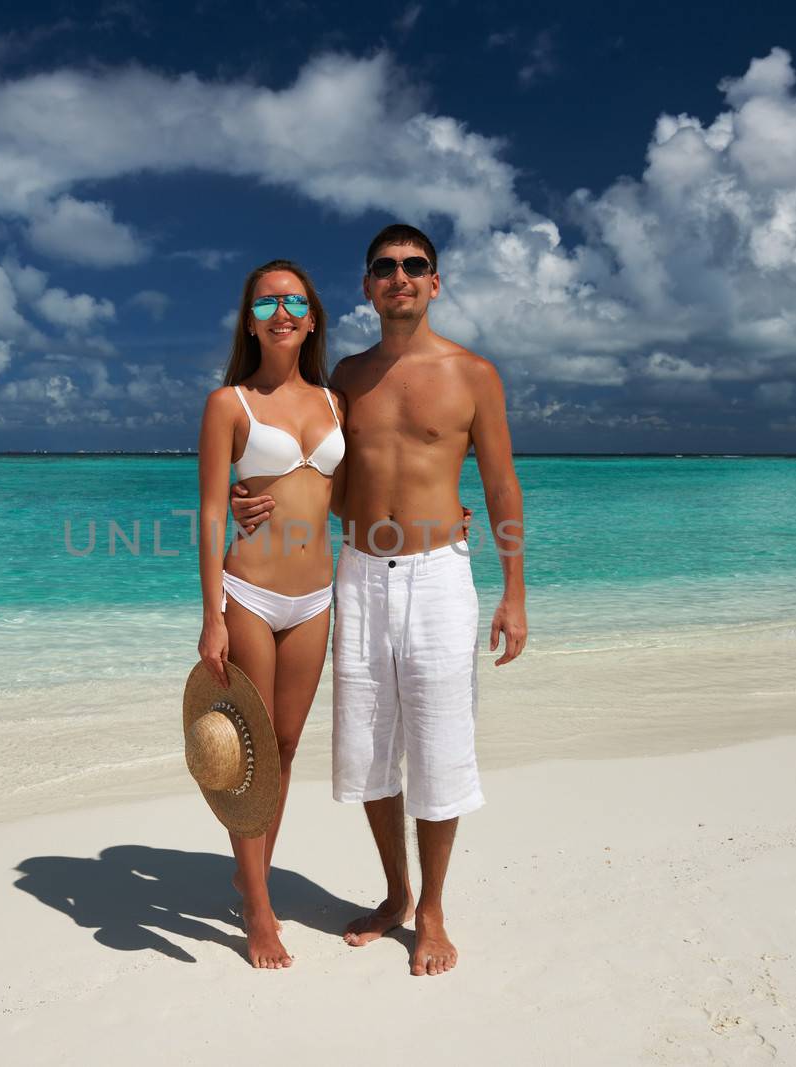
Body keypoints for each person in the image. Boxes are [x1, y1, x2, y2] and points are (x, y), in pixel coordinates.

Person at [232, 223, 528, 977]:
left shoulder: (474, 375)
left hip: (439, 576)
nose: (400, 276)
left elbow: (499, 486)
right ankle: (396, 891)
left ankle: (432, 910)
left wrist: (514, 592)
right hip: (359, 572)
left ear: (435, 282)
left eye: (414, 265)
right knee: (366, 746)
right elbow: (316, 479)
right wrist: (249, 501)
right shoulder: (344, 386)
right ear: (366, 287)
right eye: (385, 267)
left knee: (438, 742)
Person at [196, 258, 346, 969]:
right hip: (250, 591)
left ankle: (249, 873)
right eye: (265, 304)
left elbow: (341, 499)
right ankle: (257, 906)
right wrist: (213, 614)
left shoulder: (337, 401)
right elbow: (210, 509)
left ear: (312, 317)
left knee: (284, 749)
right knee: (251, 756)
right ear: (249, 321)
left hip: (317, 595)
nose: (280, 312)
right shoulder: (230, 402)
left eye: (293, 301)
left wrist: (441, 515)